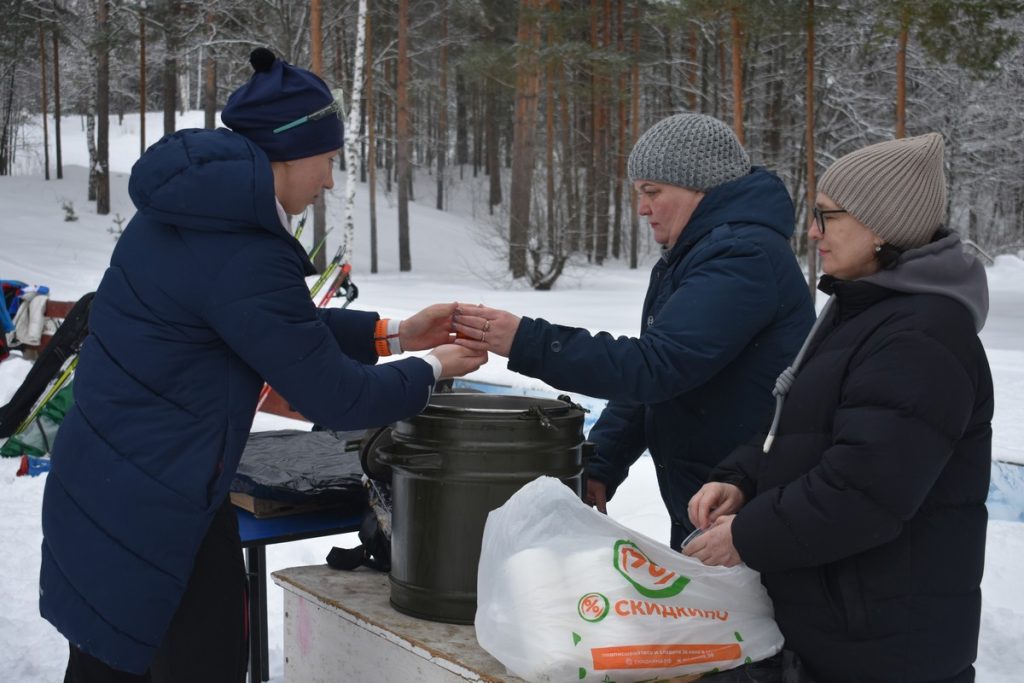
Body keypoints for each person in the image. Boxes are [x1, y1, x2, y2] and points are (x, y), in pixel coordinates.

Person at [40, 48, 486, 682]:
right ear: (289, 153)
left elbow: (264, 324)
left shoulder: (191, 211)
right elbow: (339, 399)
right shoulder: (243, 246)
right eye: (327, 160)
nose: (328, 182)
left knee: (106, 663)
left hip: (108, 485)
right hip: (159, 513)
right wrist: (434, 367)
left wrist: (396, 334)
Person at [684, 133, 993, 683]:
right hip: (834, 627)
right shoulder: (864, 309)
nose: (812, 232)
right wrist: (742, 479)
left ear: (880, 226)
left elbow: (862, 492)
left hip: (883, 651)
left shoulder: (923, 337)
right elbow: (805, 430)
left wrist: (746, 535)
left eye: (827, 216)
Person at [454, 113, 814, 550]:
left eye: (652, 192)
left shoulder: (742, 257)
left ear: (699, 187)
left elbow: (657, 367)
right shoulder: (699, 252)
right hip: (707, 499)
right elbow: (658, 377)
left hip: (743, 507)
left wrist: (524, 340)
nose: (642, 208)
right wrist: (603, 462)